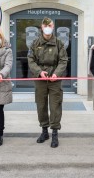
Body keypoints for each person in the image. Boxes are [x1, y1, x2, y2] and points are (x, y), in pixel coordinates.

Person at [27, 17, 68, 148]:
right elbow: (31, 60)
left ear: (53, 26)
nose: (47, 27)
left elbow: (63, 60)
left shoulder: (59, 43)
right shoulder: (35, 43)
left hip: (55, 79)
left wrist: (57, 73)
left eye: (50, 25)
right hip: (40, 79)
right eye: (45, 25)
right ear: (41, 27)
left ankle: (55, 133)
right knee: (41, 105)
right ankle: (44, 131)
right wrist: (39, 72)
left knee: (55, 105)